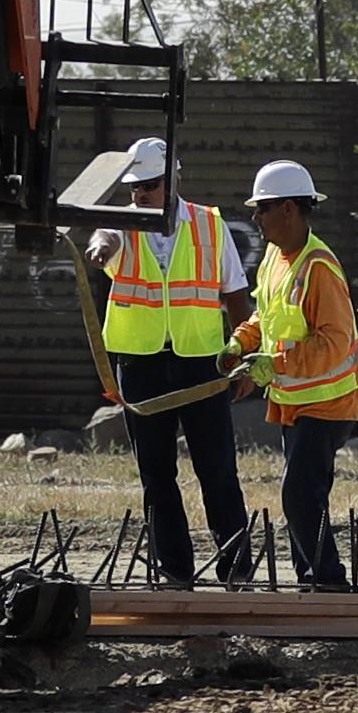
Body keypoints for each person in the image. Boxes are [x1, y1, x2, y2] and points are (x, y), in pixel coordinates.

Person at [84, 136, 254, 588]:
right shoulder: (122, 224)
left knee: (217, 470)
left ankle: (235, 568)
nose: (141, 195)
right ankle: (174, 569)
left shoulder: (208, 225)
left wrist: (245, 356)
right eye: (135, 187)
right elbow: (104, 235)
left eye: (151, 186)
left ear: (174, 180)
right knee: (157, 476)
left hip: (201, 364)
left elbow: (235, 293)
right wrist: (98, 249)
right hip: (141, 366)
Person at [224, 158, 358, 591]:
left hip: (328, 399)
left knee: (300, 495)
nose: (255, 218)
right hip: (295, 399)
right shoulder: (275, 258)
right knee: (303, 496)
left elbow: (333, 343)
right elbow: (267, 316)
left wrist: (274, 364)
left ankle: (329, 582)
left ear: (288, 209)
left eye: (262, 209)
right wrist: (240, 344)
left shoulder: (318, 267)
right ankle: (314, 580)